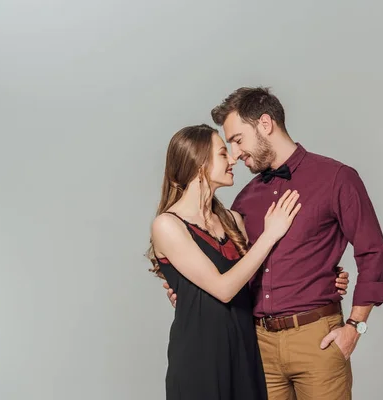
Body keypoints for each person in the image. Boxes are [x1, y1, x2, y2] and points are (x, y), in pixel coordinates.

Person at [164, 87, 383, 400]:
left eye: (237, 139)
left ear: (265, 124)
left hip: (317, 339)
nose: (236, 154)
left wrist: (355, 326)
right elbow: (234, 270)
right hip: (258, 346)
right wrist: (191, 293)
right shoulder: (244, 200)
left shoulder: (337, 178)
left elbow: (373, 252)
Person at [147, 124, 349, 400]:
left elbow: (267, 268)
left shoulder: (233, 220)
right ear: (199, 164)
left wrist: (325, 274)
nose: (233, 159)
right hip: (200, 360)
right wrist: (270, 234)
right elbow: (224, 288)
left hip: (245, 353)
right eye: (222, 154)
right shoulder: (168, 225)